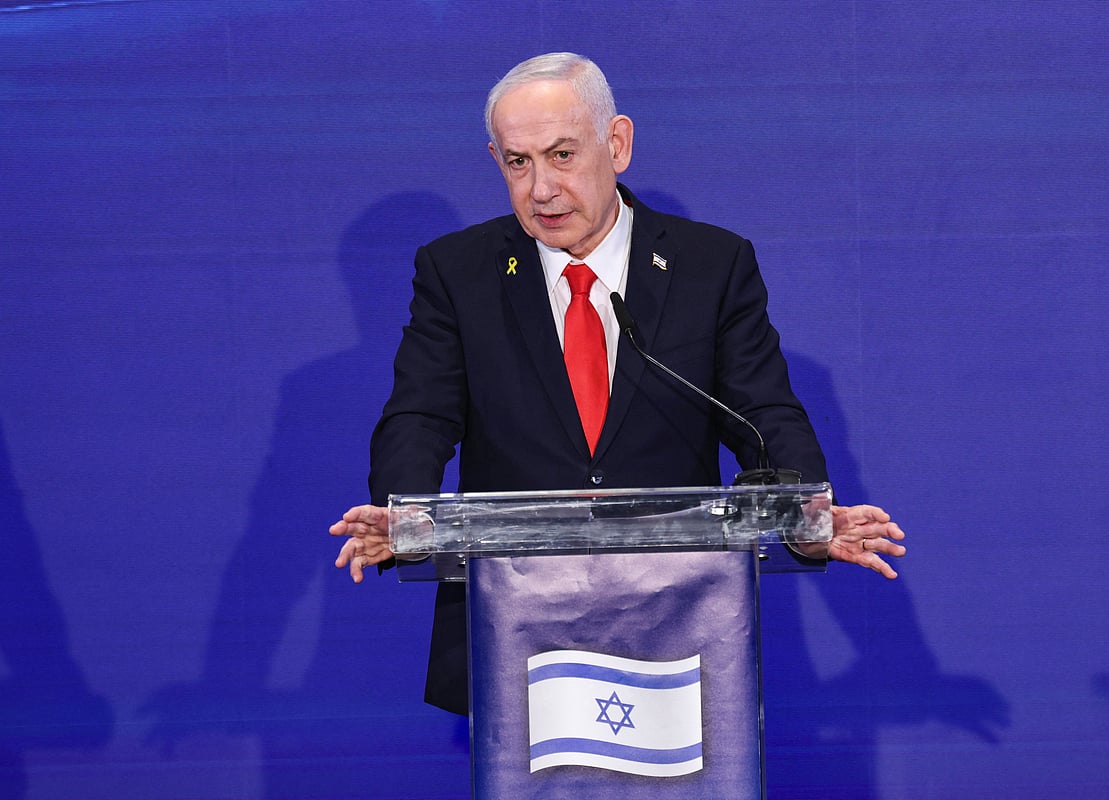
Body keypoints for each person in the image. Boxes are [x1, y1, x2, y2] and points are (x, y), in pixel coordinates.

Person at [330, 52, 906, 715]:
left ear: (618, 143)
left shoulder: (710, 266)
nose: (541, 188)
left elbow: (763, 412)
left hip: (678, 620)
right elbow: (420, 415)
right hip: (515, 625)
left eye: (562, 155)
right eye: (518, 162)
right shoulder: (458, 273)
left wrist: (804, 515)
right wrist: (405, 514)